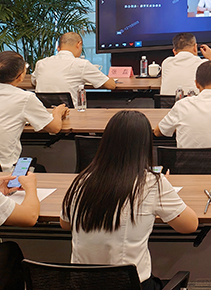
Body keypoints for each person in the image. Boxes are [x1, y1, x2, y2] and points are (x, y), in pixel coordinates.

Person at [60, 110, 198, 290]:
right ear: (145, 146)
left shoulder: (82, 180)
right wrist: (165, 189)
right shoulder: (151, 183)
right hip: (131, 286)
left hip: (82, 285)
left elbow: (65, 224)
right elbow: (190, 225)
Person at [0, 51, 68, 173]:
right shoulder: (24, 98)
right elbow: (54, 128)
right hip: (6, 173)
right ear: (20, 76)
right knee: (40, 170)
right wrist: (58, 112)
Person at [32, 32, 115, 106]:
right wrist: (110, 78)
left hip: (45, 115)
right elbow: (111, 85)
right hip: (71, 115)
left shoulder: (41, 63)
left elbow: (33, 82)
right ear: (78, 44)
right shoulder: (81, 64)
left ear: (58, 48)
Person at [159, 32, 211, 96]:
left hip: (168, 102)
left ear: (174, 51)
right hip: (193, 102)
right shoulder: (203, 64)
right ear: (195, 48)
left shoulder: (166, 63)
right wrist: (210, 57)